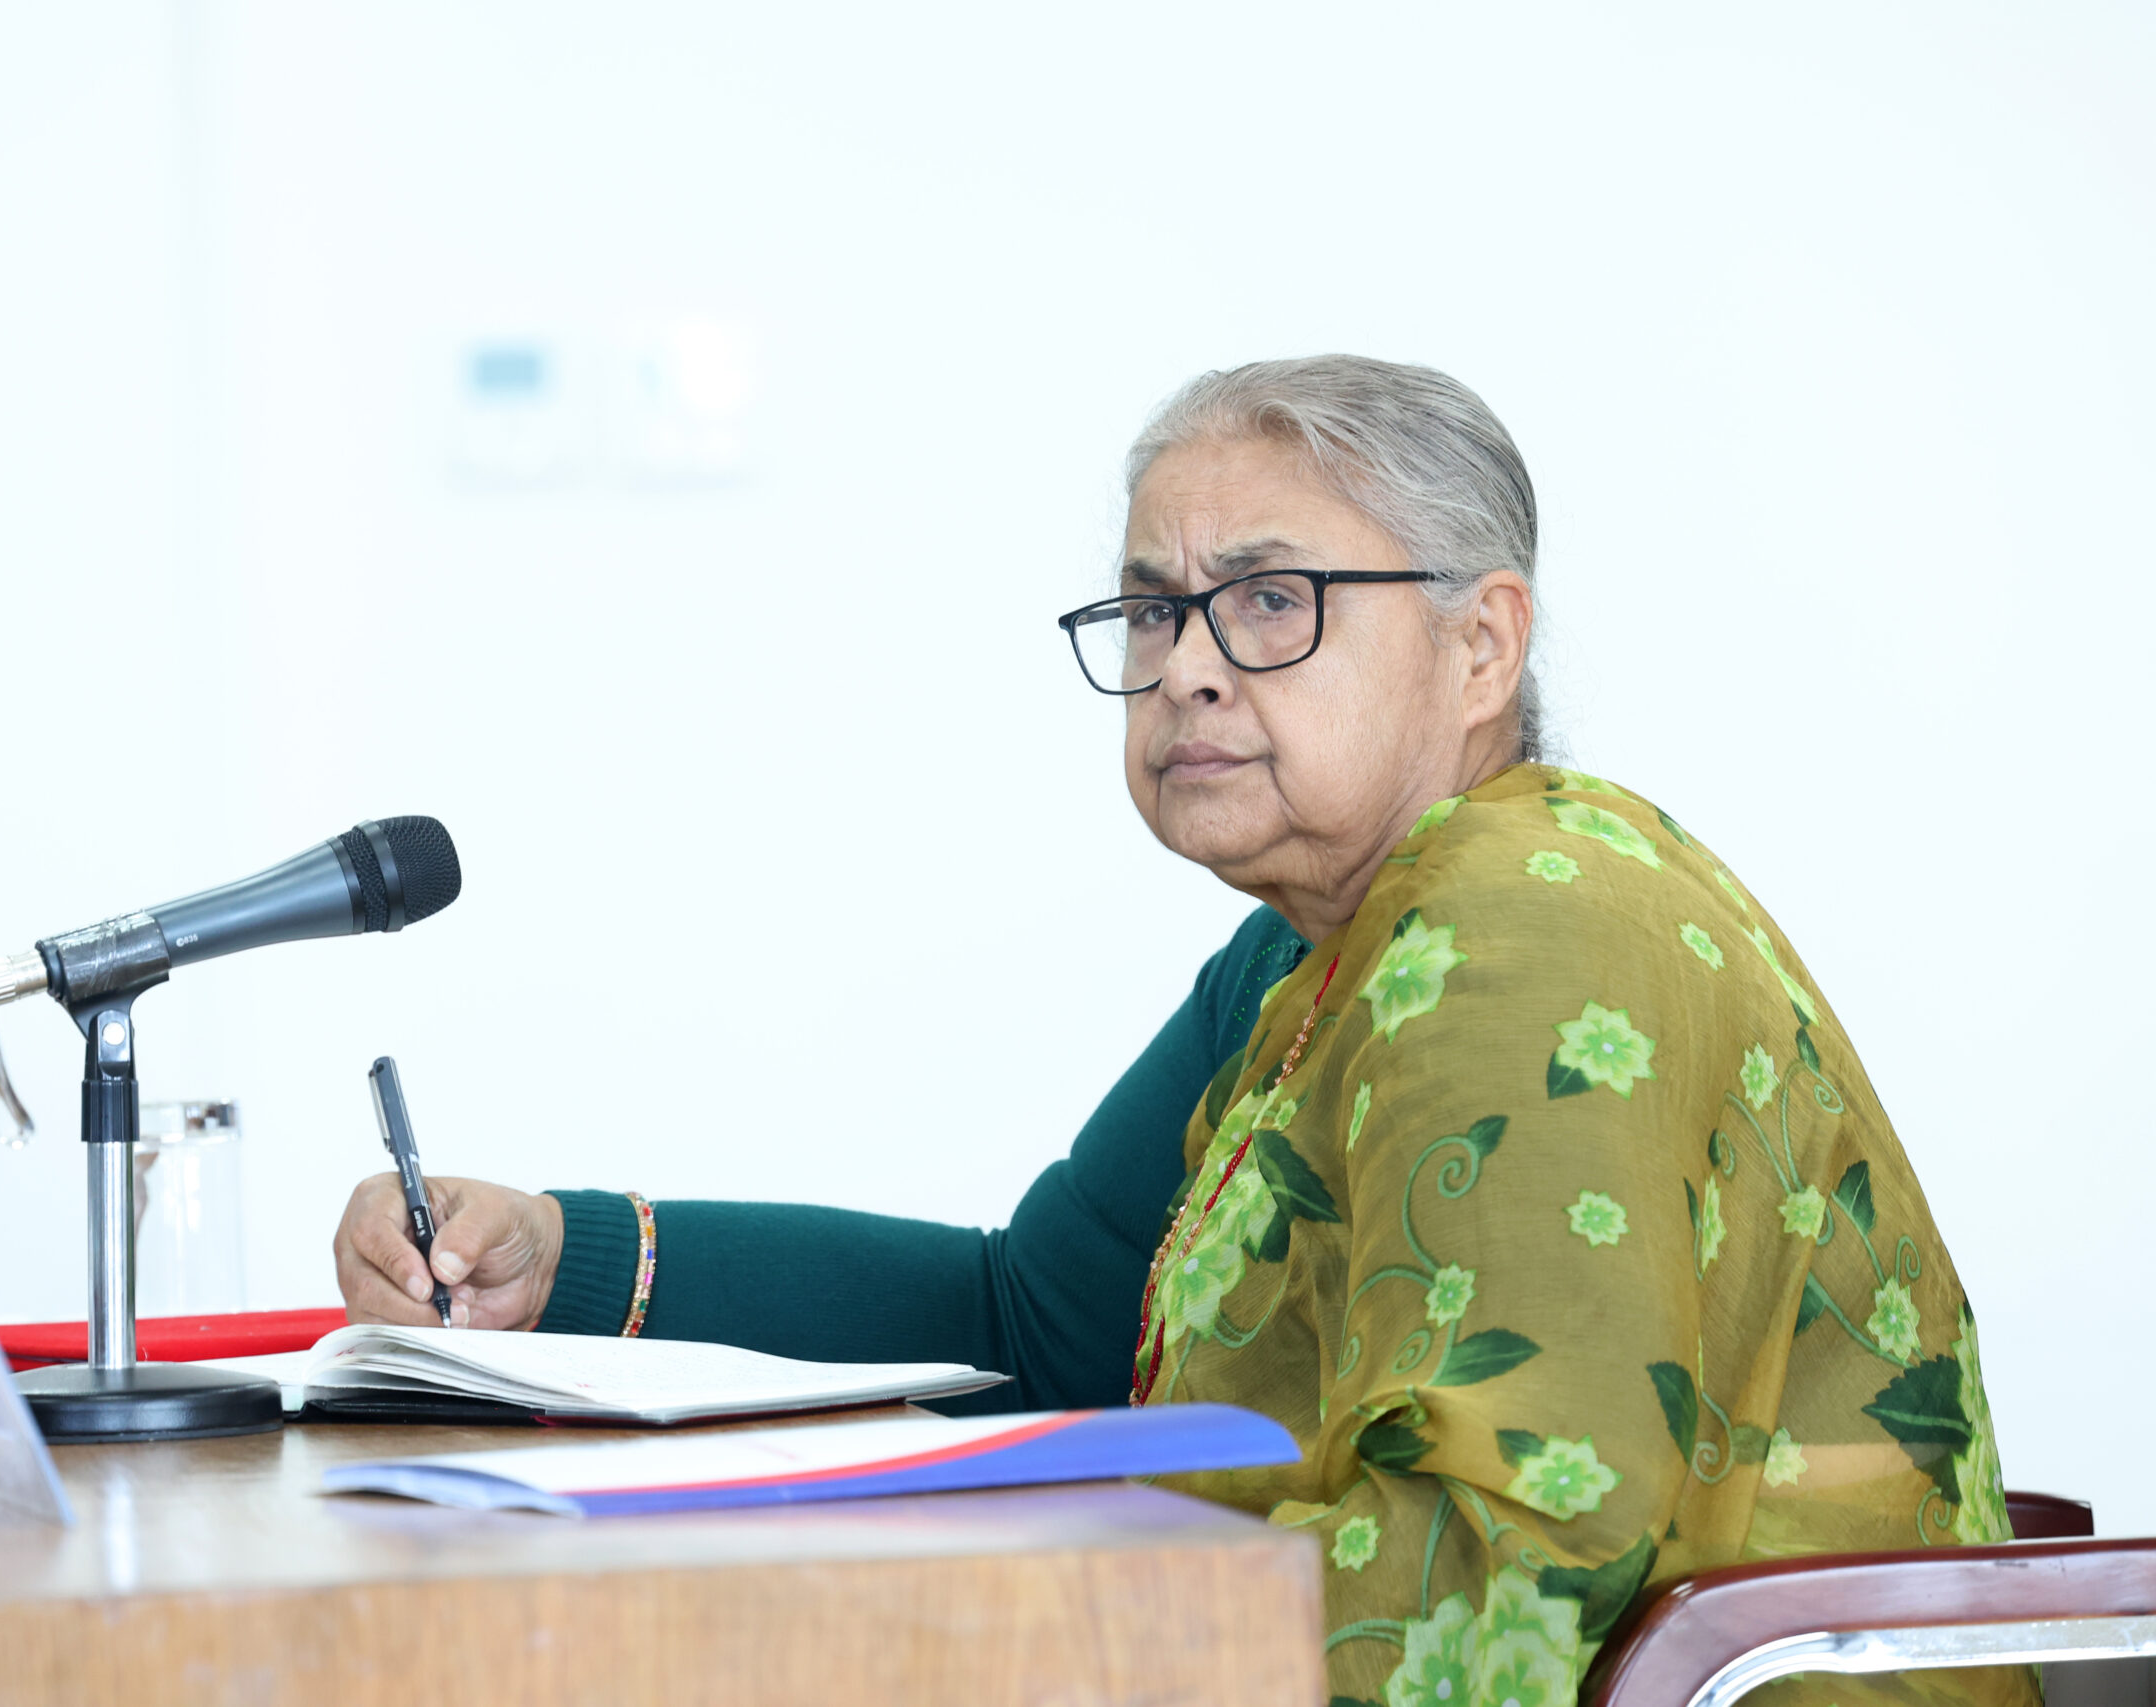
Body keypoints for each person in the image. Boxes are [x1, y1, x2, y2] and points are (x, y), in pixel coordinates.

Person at [333, 357, 2020, 1707]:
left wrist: (967, 1649)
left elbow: (1498, 1567)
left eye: (1272, 600)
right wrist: (561, 1256)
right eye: (1153, 611)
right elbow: (1039, 1323)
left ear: (1481, 644)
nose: (1190, 669)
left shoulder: (1532, 924)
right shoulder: (1310, 956)